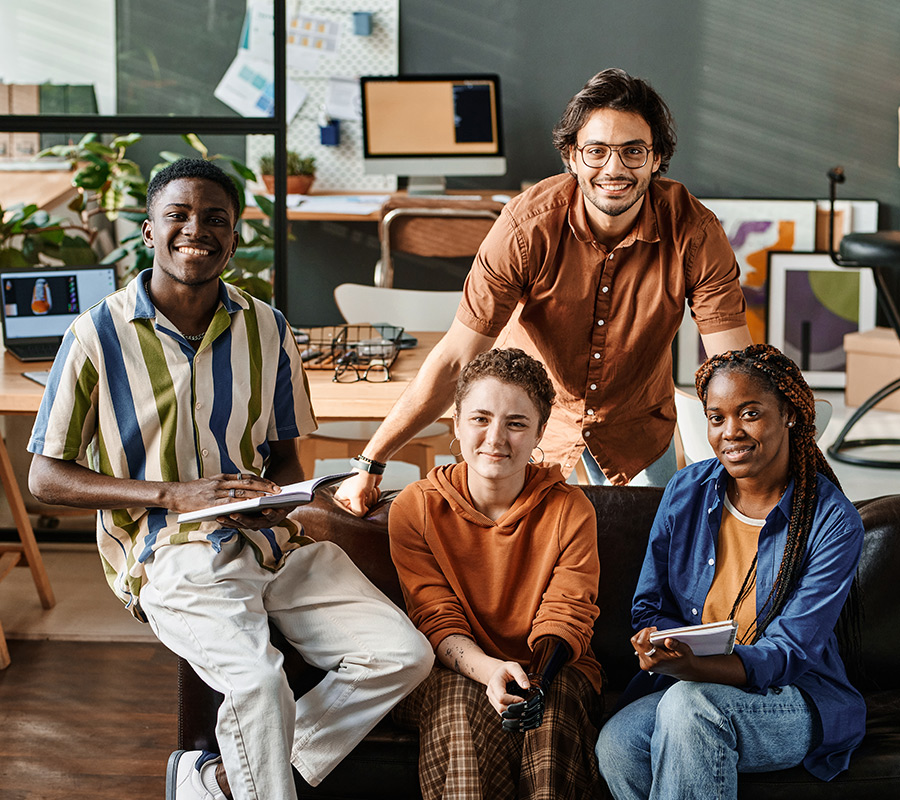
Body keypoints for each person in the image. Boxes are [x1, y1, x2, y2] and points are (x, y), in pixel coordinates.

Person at [26, 158, 433, 800]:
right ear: (147, 231)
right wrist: (171, 494)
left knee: (403, 656)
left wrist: (277, 501)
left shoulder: (268, 328)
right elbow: (45, 479)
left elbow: (288, 458)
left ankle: (219, 780)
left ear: (236, 235)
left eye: (216, 218)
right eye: (178, 216)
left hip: (270, 543)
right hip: (169, 553)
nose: (197, 230)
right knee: (258, 685)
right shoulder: (95, 336)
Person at [336, 67, 752, 515]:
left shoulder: (695, 232)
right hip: (530, 424)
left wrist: (776, 468)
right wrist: (370, 460)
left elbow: (735, 368)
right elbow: (457, 359)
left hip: (638, 426)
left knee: (654, 553)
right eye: (596, 151)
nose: (614, 169)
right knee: (511, 557)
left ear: (656, 158)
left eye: (633, 151)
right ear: (571, 157)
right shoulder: (524, 227)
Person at [594, 344, 865, 799]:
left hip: (793, 696)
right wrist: (659, 642)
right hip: (692, 682)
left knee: (688, 708)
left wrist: (700, 666)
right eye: (716, 418)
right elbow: (650, 605)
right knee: (618, 743)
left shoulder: (831, 519)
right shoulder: (687, 489)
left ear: (790, 415)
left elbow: (791, 651)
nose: (730, 432)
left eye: (750, 413)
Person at [388, 348, 605, 799]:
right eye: (481, 418)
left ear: (540, 432)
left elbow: (567, 614)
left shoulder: (570, 509)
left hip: (553, 669)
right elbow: (435, 617)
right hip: (455, 667)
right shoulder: (417, 507)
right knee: (457, 709)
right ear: (456, 423)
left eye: (517, 423)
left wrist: (535, 683)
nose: (496, 438)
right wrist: (489, 672)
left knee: (550, 711)